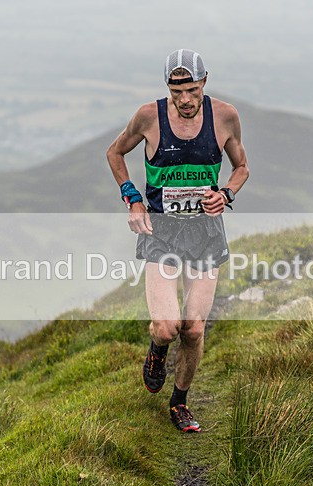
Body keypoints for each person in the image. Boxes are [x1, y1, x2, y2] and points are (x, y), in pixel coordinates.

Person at [106, 49, 249, 433]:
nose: (185, 100)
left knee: (194, 328)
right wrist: (133, 199)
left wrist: (227, 194)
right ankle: (157, 349)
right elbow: (115, 152)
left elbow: (241, 167)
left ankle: (179, 402)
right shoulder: (149, 117)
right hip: (162, 231)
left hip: (205, 232)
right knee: (167, 327)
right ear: (167, 88)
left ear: (205, 82)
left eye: (192, 90)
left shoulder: (225, 116)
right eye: (176, 91)